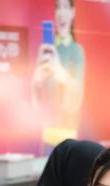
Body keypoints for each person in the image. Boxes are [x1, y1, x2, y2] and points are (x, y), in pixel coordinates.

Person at [32, 0, 86, 147]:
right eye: (58, 7)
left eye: (65, 7)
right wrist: (37, 78)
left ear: (72, 12)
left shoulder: (77, 51)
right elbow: (34, 96)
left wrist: (60, 71)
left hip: (68, 131)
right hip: (46, 131)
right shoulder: (45, 50)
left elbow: (78, 91)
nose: (61, 12)